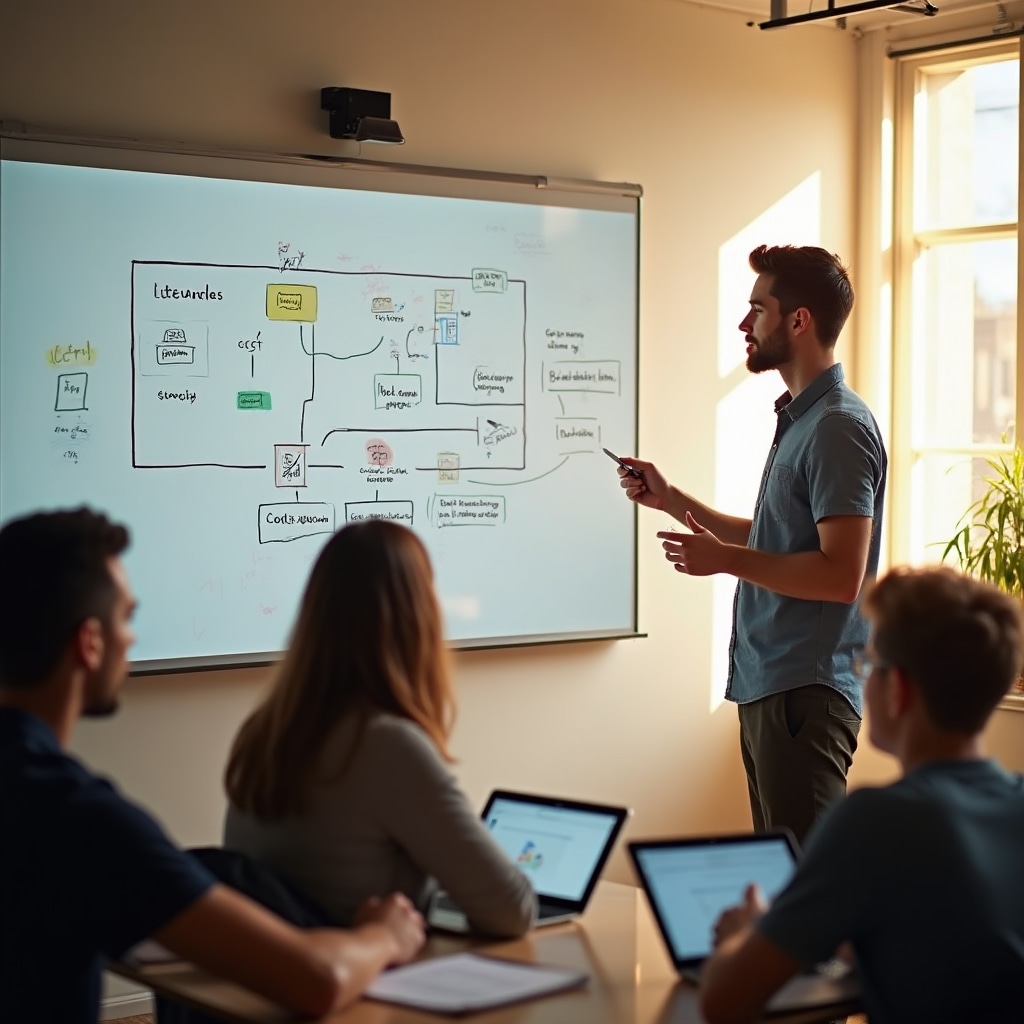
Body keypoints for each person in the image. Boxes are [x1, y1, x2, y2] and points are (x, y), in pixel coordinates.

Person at [0, 507, 425, 1024]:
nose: (132, 638)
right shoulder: (81, 823)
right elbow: (318, 979)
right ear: (89, 644)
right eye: (126, 618)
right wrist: (384, 934)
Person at [619, 244, 887, 845]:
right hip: (770, 687)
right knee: (782, 873)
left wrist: (725, 563)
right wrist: (672, 500)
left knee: (805, 881)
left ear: (799, 320)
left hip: (804, 693)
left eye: (758, 309)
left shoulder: (838, 427)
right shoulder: (804, 420)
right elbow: (776, 540)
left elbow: (840, 575)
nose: (745, 323)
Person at [699, 566, 1024, 1024]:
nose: (861, 679)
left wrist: (745, 933)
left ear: (898, 690)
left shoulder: (876, 819)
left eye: (866, 665)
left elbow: (723, 1002)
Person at [223, 518, 536, 937]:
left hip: (283, 970)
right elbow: (512, 912)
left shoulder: (264, 732)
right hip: (362, 974)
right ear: (419, 617)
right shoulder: (386, 745)